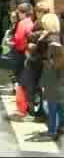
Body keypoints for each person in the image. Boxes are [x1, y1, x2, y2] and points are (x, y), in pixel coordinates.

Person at [38, 13, 64, 141]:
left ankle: (52, 130)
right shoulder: (57, 37)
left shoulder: (51, 40)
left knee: (52, 104)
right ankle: (58, 128)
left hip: (53, 76)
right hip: (57, 76)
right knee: (58, 104)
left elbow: (50, 59)